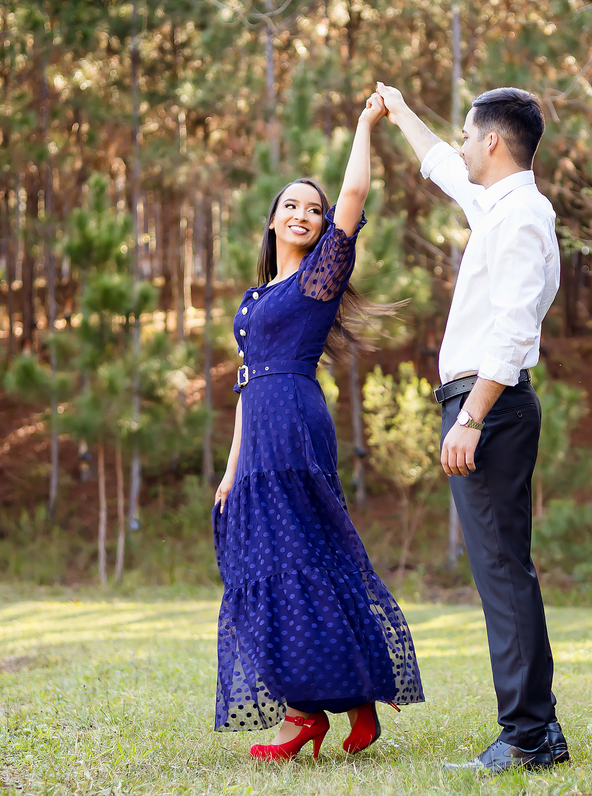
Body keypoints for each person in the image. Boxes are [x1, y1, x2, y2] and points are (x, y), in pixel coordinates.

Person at [212, 92, 423, 762]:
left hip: (295, 425)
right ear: (273, 219)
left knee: (304, 559)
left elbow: (354, 193)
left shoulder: (317, 283)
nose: (303, 214)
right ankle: (337, 702)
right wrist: (230, 471)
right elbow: (244, 384)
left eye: (314, 208)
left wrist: (365, 124)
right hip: (257, 432)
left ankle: (311, 713)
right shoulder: (255, 299)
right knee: (272, 563)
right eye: (292, 206)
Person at [376, 82, 567, 773]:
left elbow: (515, 330)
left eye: (465, 134)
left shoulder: (522, 217)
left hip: (490, 406)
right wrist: (399, 111)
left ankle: (528, 734)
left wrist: (471, 418)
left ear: (492, 140)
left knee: (503, 574)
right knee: (503, 570)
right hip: (484, 405)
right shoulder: (500, 205)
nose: (459, 145)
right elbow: (441, 165)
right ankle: (539, 730)